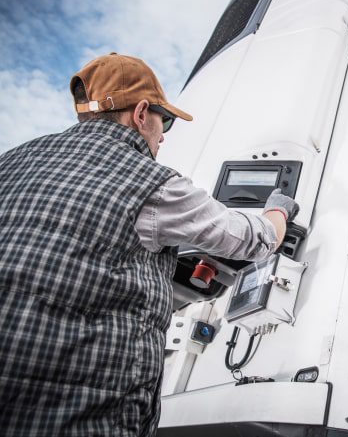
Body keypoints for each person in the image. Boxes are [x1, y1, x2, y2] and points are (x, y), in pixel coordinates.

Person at [0, 52, 299, 436]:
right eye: (165, 123)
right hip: (75, 416)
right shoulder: (149, 181)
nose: (162, 138)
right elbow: (252, 240)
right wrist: (278, 211)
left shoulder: (12, 160)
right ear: (141, 114)